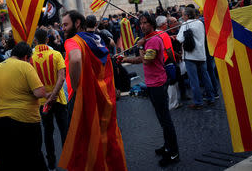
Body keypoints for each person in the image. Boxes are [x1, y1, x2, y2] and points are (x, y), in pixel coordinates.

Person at [59, 10, 127, 170]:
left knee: (82, 138)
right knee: (106, 134)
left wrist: (76, 86)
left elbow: (75, 59)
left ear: (77, 24)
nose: (63, 28)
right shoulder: (97, 38)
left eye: (66, 24)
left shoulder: (72, 41)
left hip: (83, 96)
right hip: (103, 95)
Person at [122, 12, 179, 167]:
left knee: (165, 119)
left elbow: (146, 60)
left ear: (152, 24)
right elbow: (144, 58)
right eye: (140, 23)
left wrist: (140, 46)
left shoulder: (153, 40)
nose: (142, 26)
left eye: (145, 23)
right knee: (162, 118)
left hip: (158, 84)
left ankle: (173, 152)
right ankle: (167, 146)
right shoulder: (150, 38)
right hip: (153, 83)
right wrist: (127, 58)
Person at [0, 42, 49, 171]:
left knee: (6, 161)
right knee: (33, 158)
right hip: (23, 121)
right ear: (26, 57)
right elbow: (39, 92)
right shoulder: (25, 66)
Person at [31, 29, 68, 170]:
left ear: (35, 41)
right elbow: (62, 77)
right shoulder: (56, 54)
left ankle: (51, 163)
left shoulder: (31, 59)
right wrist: (53, 95)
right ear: (47, 40)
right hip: (58, 98)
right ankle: (68, 161)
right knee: (64, 129)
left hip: (42, 101)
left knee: (47, 131)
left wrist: (46, 96)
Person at [177, 7, 216, 109]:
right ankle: (211, 97)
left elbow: (179, 39)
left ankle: (198, 102)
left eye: (183, 15)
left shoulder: (185, 25)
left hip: (190, 56)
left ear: (187, 15)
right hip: (201, 54)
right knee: (205, 77)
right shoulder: (199, 23)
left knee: (194, 80)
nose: (182, 16)